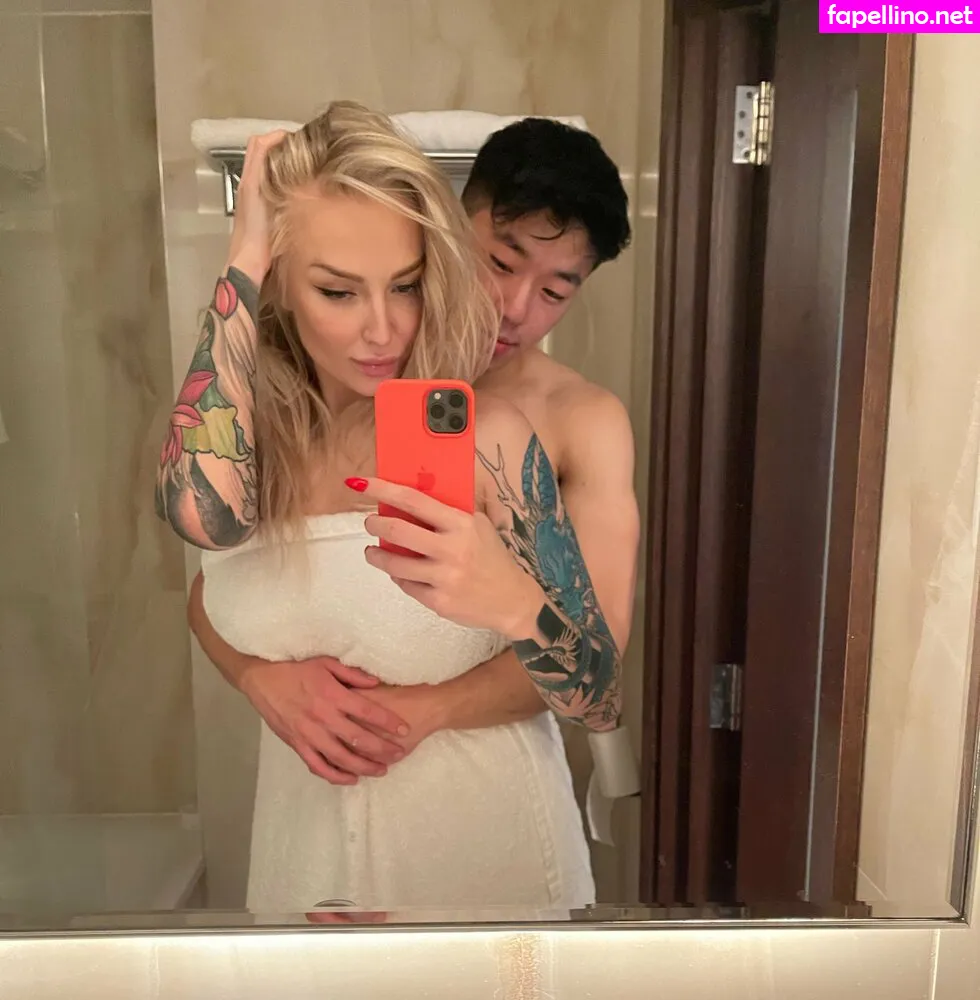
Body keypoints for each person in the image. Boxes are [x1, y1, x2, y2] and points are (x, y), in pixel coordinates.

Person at [156, 101, 624, 910]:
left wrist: (512, 602)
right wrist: (259, 678)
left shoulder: (491, 438)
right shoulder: (250, 439)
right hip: (307, 866)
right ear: (283, 286)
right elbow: (205, 538)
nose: (381, 330)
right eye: (337, 291)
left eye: (405, 287)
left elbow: (599, 693)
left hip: (485, 868)